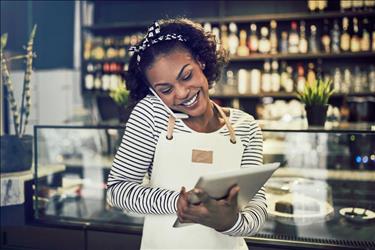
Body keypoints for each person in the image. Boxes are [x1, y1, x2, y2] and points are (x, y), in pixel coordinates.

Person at [106, 18, 266, 250]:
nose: (182, 93)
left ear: (201, 62)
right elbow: (118, 190)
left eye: (187, 75)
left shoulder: (245, 127)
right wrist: (176, 202)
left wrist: (230, 222)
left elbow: (258, 209)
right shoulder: (151, 115)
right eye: (166, 89)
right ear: (153, 92)